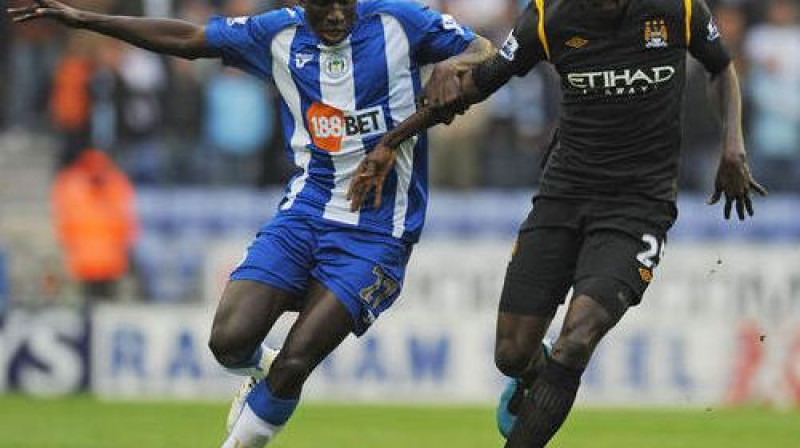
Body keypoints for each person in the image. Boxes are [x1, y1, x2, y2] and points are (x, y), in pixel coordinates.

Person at [8, 1, 493, 446]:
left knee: (297, 360)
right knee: (228, 341)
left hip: (378, 233)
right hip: (304, 214)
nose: (338, 17)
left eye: (346, 4)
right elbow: (190, 40)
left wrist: (457, 61)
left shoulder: (399, 22)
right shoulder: (275, 33)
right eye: (324, 7)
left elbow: (484, 49)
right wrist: (89, 20)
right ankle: (263, 375)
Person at [348, 0, 767, 446]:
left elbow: (722, 68)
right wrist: (392, 141)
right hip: (562, 199)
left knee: (578, 337)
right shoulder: (550, 16)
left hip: (637, 206)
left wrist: (733, 147)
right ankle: (537, 375)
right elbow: (480, 83)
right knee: (511, 354)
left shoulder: (677, 8)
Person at [52, 149, 138, 302]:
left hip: (105, 262)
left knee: (102, 306)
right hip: (88, 263)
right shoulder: (72, 186)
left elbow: (127, 222)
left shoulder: (115, 185)